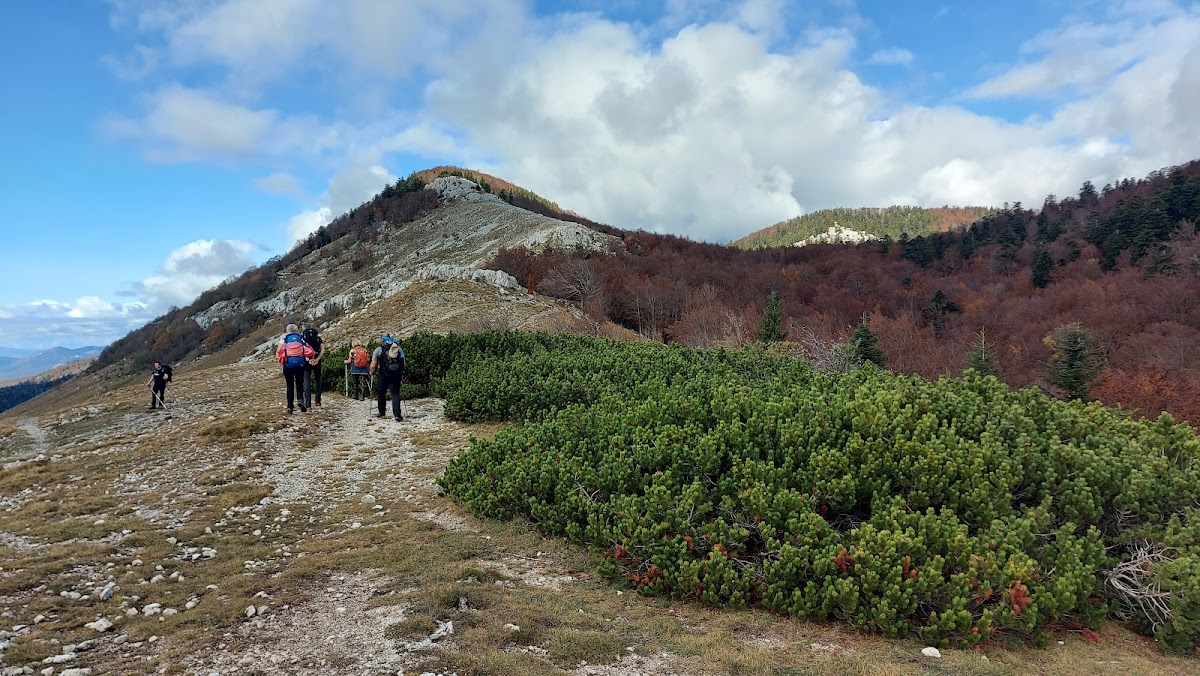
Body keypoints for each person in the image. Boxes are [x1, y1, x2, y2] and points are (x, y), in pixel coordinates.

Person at [277, 323, 316, 414]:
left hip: (288, 365)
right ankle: (300, 400)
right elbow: (310, 352)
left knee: (289, 385)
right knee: (299, 383)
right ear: (296, 330)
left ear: (287, 331)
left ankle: (290, 407)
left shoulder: (284, 339)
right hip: (300, 365)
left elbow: (279, 351)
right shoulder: (301, 339)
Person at [370, 333, 405, 421]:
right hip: (396, 375)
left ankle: (382, 412)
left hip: (383, 374)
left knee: (381, 393)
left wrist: (371, 372)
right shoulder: (398, 348)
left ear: (382, 340)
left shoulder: (378, 349)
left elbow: (373, 365)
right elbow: (403, 362)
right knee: (395, 394)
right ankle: (397, 414)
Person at [302, 325, 325, 410]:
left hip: (306, 362)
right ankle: (318, 401)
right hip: (317, 361)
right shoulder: (318, 339)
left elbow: (301, 350)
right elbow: (322, 349)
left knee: (307, 381)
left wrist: (308, 360)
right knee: (318, 380)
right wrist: (317, 359)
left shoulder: (303, 339)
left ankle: (308, 404)